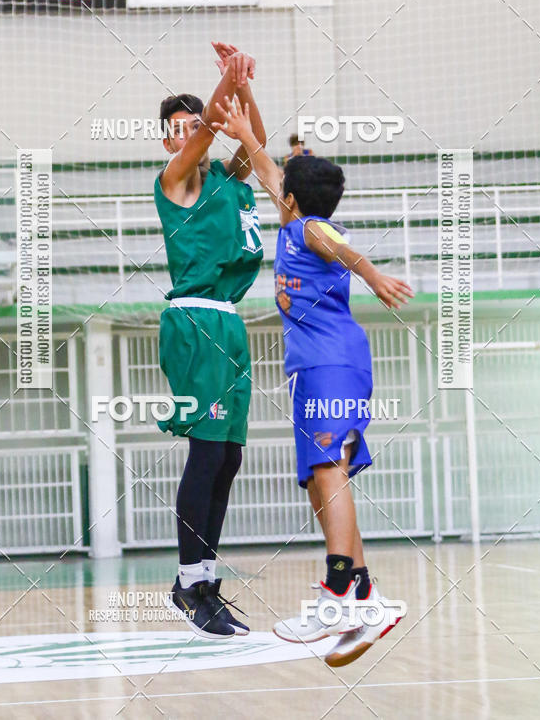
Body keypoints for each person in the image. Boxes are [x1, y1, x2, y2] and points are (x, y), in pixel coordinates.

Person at [212, 95, 413, 666]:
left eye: (282, 190)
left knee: (330, 473)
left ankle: (335, 597)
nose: (274, 189)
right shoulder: (296, 220)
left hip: (329, 364)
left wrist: (372, 275)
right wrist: (244, 98)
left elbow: (334, 243)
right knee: (323, 480)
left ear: (292, 201)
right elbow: (263, 161)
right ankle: (368, 598)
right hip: (318, 367)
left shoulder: (308, 229)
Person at [154, 42, 265, 640]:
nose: (187, 135)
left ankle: (203, 578)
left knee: (229, 456)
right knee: (206, 451)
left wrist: (242, 88)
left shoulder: (227, 176)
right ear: (168, 141)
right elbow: (206, 136)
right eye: (177, 129)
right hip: (194, 322)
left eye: (194, 125)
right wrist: (226, 76)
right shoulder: (174, 181)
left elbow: (256, 139)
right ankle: (188, 583)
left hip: (229, 320)